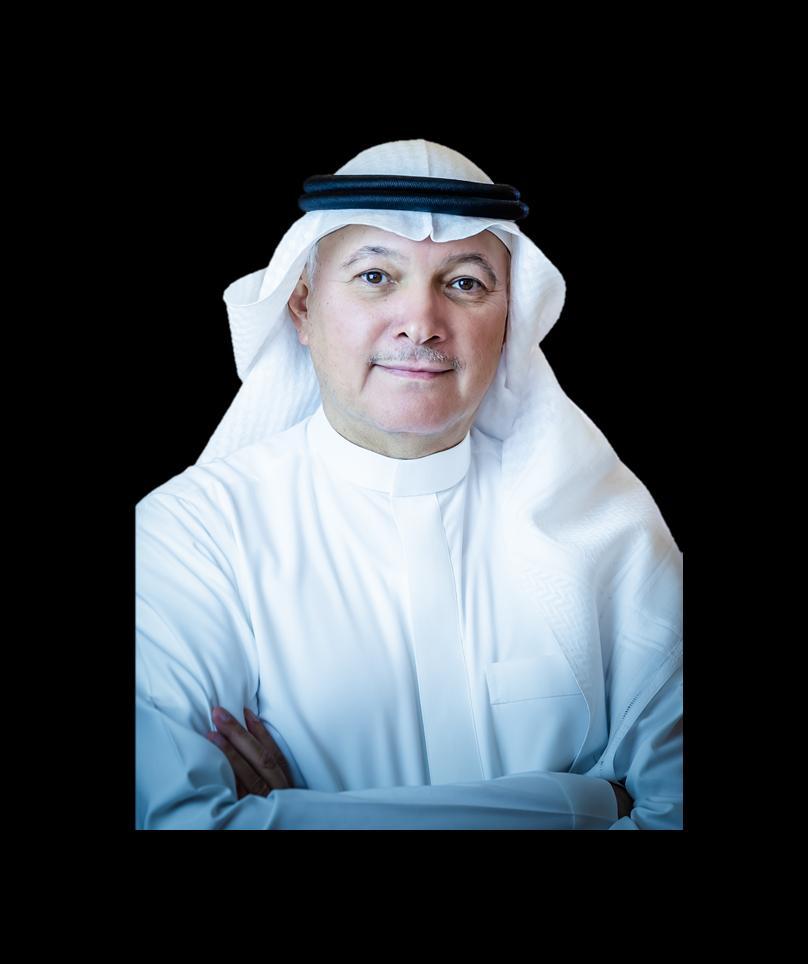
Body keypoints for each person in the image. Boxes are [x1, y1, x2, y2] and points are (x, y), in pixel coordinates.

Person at [135, 138, 683, 830]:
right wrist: (586, 804)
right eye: (375, 276)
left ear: (509, 318)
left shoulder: (610, 531)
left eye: (465, 283)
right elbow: (182, 822)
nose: (422, 323)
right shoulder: (189, 537)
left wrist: (290, 816)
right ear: (302, 307)